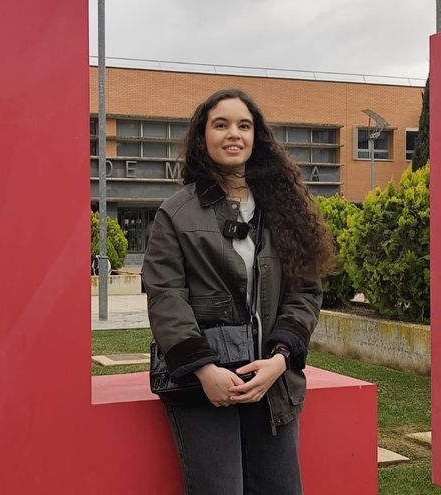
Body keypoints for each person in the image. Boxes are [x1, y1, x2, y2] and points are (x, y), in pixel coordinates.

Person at [142, 88, 335, 494]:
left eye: (244, 125)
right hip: (204, 385)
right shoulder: (175, 213)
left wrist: (281, 359)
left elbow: (305, 293)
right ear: (203, 137)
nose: (234, 134)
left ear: (256, 137)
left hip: (272, 381)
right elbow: (165, 297)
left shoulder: (284, 209)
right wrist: (203, 369)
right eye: (221, 124)